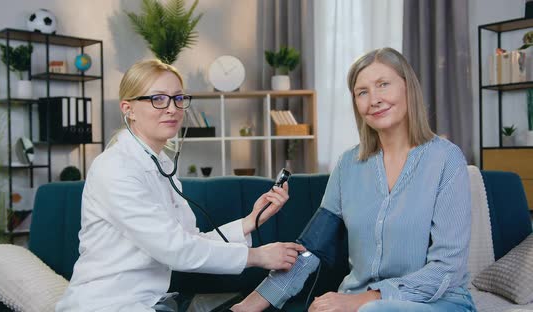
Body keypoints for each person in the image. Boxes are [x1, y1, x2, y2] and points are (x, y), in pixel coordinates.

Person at [231, 47, 476, 312]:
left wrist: (362, 301)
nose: (374, 99)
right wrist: (246, 307)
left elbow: (446, 268)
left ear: (408, 87)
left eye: (383, 85)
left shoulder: (446, 159)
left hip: (436, 303)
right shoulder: (348, 165)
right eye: (362, 92)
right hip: (356, 302)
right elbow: (311, 250)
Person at [55, 59, 305, 312]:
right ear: (128, 108)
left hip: (149, 302)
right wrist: (259, 256)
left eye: (178, 98)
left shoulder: (162, 165)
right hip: (107, 304)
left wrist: (251, 220)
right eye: (158, 99)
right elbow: (175, 250)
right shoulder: (114, 168)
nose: (172, 109)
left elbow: (189, 239)